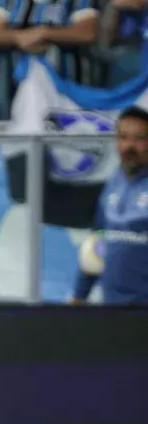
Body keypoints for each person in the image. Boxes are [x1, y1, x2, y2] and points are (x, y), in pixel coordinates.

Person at [72, 106, 148, 305]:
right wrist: (79, 296)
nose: (129, 146)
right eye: (123, 137)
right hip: (112, 310)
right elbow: (97, 242)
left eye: (139, 138)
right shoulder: (113, 184)